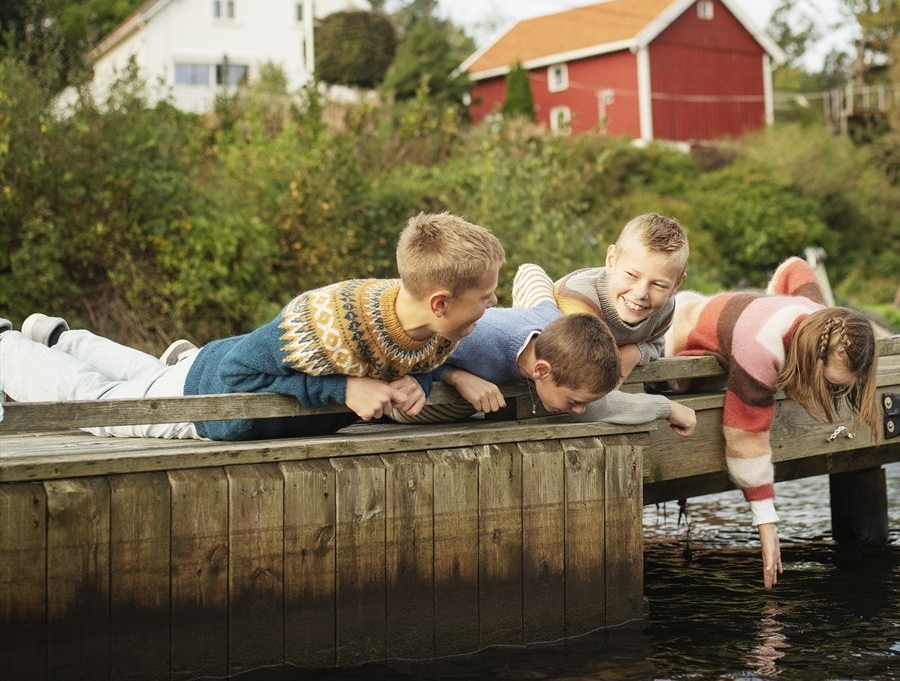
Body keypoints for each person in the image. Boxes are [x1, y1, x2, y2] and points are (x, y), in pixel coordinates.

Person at [0, 212, 505, 440]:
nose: (493, 303)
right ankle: (7, 346)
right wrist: (342, 387)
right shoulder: (329, 320)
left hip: (211, 365)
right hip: (202, 402)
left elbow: (419, 363)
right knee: (101, 402)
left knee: (145, 376)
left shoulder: (441, 332)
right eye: (485, 297)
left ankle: (58, 338)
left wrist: (417, 384)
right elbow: (241, 373)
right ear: (440, 301)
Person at [666, 255, 878, 590]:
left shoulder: (820, 317)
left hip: (700, 304)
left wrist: (771, 301)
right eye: (830, 383)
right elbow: (744, 434)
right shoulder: (760, 348)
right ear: (813, 355)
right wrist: (767, 525)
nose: (831, 391)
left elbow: (795, 267)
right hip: (673, 333)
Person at [501, 211, 696, 433]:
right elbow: (589, 404)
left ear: (677, 284)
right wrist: (666, 408)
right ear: (611, 260)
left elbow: (656, 344)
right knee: (534, 285)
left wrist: (636, 351)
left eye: (659, 285)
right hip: (552, 330)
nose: (641, 293)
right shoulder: (579, 303)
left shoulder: (663, 310)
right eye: (632, 275)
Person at [433, 292, 698, 434]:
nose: (580, 410)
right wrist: (454, 375)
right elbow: (408, 341)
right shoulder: (476, 336)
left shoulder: (557, 326)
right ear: (541, 370)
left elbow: (599, 408)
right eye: (574, 402)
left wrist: (666, 408)